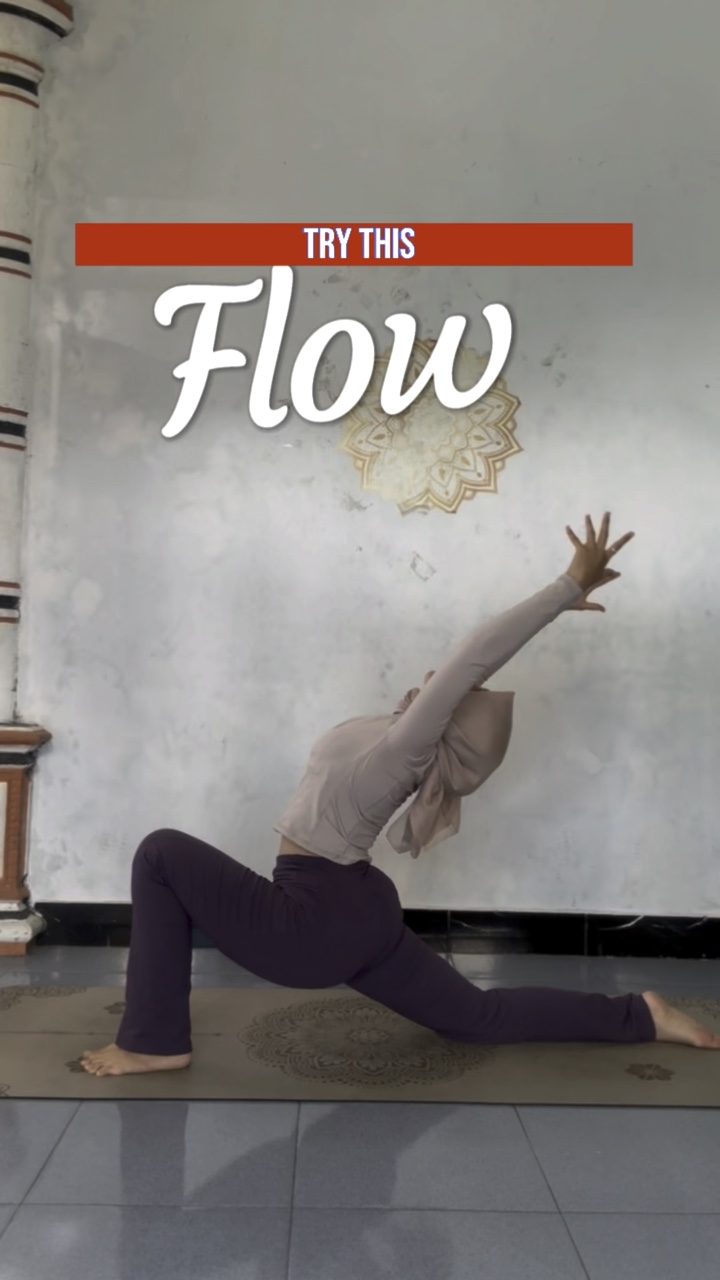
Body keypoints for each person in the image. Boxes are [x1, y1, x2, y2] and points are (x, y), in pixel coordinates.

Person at [82, 513, 720, 1077]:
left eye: (458, 692)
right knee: (479, 1017)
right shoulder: (392, 734)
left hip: (315, 921)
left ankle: (154, 1042)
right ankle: (639, 1015)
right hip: (356, 908)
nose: (446, 682)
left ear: (449, 714)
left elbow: (475, 654)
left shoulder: (405, 750)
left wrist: (566, 587)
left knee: (160, 853)